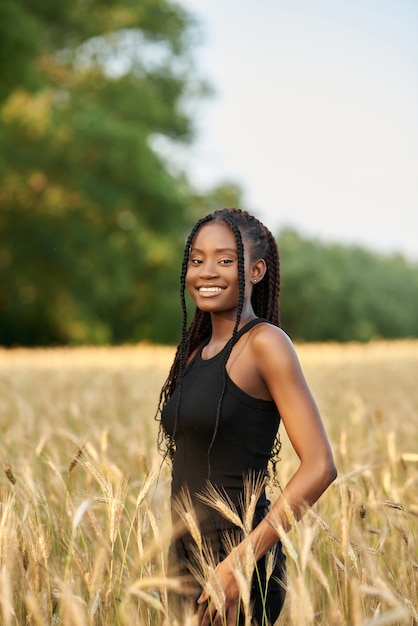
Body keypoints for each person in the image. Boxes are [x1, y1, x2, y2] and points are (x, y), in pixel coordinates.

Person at [156, 208, 337, 625]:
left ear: (256, 270)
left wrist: (240, 563)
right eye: (197, 260)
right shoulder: (194, 352)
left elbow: (320, 466)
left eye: (225, 259)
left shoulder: (265, 344)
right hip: (183, 556)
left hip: (238, 556)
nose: (206, 271)